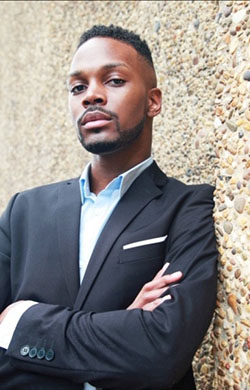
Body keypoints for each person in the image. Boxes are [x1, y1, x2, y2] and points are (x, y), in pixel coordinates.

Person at [0, 25, 217, 390]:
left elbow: (161, 350)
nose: (91, 96)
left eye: (114, 81)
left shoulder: (186, 206)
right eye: (78, 87)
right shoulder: (24, 210)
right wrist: (123, 324)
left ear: (153, 101)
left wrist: (21, 322)